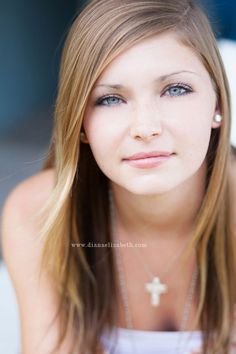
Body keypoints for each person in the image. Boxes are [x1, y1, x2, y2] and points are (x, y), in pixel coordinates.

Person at [1, 0, 236, 353]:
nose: (145, 128)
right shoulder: (39, 213)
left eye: (175, 89)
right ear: (80, 123)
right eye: (110, 99)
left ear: (218, 104)